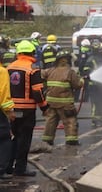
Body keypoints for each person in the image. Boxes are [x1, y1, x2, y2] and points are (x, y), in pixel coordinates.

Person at [6, 40, 48, 177]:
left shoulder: (9, 67)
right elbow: (37, 91)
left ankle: (7, 166)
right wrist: (44, 107)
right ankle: (20, 169)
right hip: (27, 111)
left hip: (11, 110)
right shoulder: (33, 68)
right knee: (24, 139)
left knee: (12, 137)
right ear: (32, 52)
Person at [41, 50, 84, 146]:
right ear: (68, 60)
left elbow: (41, 75)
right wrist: (82, 80)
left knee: (50, 122)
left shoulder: (50, 70)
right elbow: (77, 85)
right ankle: (71, 140)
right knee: (70, 121)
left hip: (50, 103)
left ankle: (47, 140)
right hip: (65, 104)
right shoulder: (70, 72)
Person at [0, 62, 15, 180]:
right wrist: (9, 111)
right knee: (4, 138)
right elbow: (4, 93)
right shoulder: (2, 71)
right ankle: (1, 169)